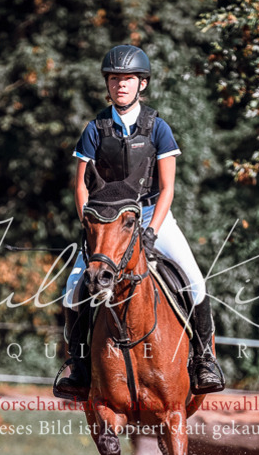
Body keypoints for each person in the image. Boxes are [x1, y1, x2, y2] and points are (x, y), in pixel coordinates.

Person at [55, 43, 225, 400]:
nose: (121, 85)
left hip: (150, 214)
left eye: (128, 79)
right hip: (105, 221)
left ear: (141, 84)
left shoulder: (158, 128)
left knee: (195, 282)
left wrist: (150, 231)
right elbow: (80, 185)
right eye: (115, 79)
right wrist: (90, 226)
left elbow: (167, 188)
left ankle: (204, 360)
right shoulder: (94, 128)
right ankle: (78, 364)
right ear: (108, 84)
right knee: (73, 288)